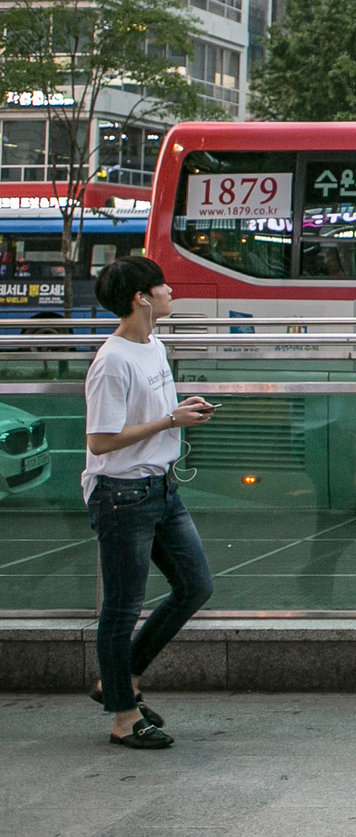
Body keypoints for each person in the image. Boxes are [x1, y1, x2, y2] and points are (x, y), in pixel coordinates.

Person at [83, 256, 214, 750]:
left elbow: (155, 414)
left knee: (195, 585)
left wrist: (179, 414)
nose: (170, 291)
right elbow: (100, 441)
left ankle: (119, 680)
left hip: (160, 487)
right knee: (121, 608)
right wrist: (168, 423)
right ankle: (122, 715)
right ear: (141, 298)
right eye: (162, 286)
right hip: (121, 494)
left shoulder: (153, 344)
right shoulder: (112, 361)